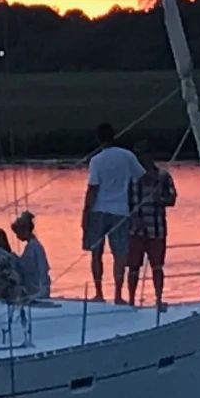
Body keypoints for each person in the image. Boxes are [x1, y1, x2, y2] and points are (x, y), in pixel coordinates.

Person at [82, 123, 144, 303]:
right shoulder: (127, 156)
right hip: (121, 211)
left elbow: (93, 189)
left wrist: (85, 214)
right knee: (120, 254)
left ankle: (99, 293)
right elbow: (140, 176)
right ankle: (118, 294)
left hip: (99, 210)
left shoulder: (96, 160)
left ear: (98, 139)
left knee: (96, 253)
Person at [126, 141, 177, 308]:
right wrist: (132, 219)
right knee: (133, 267)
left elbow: (172, 199)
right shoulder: (130, 178)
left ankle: (158, 298)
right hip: (135, 230)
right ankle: (131, 300)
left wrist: (160, 200)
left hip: (157, 228)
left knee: (157, 266)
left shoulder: (163, 176)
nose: (140, 159)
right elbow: (124, 203)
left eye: (143, 154)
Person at [11, 210, 51, 299]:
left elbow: (29, 268)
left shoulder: (34, 247)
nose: (17, 236)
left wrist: (14, 259)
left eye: (18, 233)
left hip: (37, 289)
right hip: (35, 287)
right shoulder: (32, 246)